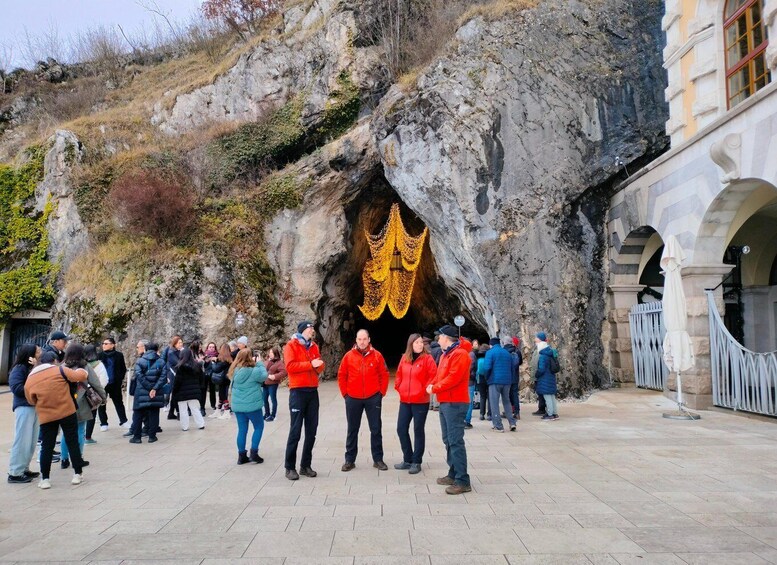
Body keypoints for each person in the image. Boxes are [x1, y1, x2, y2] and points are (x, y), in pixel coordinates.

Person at [24, 348, 89, 489]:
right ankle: (77, 474)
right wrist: (84, 371)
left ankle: (45, 478)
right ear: (54, 360)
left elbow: (30, 399)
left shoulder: (30, 378)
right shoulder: (59, 370)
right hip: (67, 411)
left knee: (47, 446)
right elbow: (80, 377)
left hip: (47, 415)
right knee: (72, 441)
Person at [426, 324, 472, 495]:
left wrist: (435, 388)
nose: (438, 339)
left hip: (455, 403)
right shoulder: (448, 354)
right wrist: (431, 384)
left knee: (455, 441)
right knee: (448, 439)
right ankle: (453, 473)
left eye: (440, 336)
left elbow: (454, 378)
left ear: (446, 338)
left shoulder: (460, 354)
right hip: (446, 402)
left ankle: (463, 480)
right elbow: (440, 375)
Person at [337, 329, 390, 472]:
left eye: (364, 339)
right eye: (359, 339)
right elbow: (342, 375)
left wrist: (381, 393)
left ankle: (378, 459)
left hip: (373, 398)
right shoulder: (348, 356)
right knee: (352, 429)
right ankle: (349, 460)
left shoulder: (377, 355)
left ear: (369, 339)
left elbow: (384, 374)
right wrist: (345, 395)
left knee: (376, 429)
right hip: (353, 398)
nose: (362, 342)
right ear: (356, 340)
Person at [283, 321, 325, 481]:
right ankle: (289, 467)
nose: (312, 330)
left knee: (311, 431)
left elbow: (319, 365)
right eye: (310, 328)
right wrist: (311, 364)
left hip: (312, 391)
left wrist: (319, 365)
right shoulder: (291, 345)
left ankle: (305, 465)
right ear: (302, 330)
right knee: (295, 431)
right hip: (298, 392)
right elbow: (290, 367)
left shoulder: (314, 346)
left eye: (313, 328)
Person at [394, 333, 437, 474]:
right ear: (411, 344)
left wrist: (424, 389)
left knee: (418, 430)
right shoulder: (404, 358)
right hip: (405, 400)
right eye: (416, 342)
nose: (419, 344)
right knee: (401, 429)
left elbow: (433, 376)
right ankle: (408, 459)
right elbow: (399, 374)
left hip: (420, 401)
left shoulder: (428, 359)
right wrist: (399, 387)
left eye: (421, 342)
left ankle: (417, 461)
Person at [60, 344, 107, 469]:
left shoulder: (62, 366)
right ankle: (78, 457)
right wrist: (103, 398)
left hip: (65, 402)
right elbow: (96, 383)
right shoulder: (85, 366)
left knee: (66, 432)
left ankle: (64, 459)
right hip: (80, 402)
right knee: (80, 431)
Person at [7, 344, 42, 484]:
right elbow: (16, 388)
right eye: (38, 351)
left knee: (31, 441)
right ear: (30, 354)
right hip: (24, 406)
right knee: (22, 440)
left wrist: (36, 367)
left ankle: (24, 468)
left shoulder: (34, 367)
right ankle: (15, 472)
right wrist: (34, 391)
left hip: (35, 407)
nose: (40, 352)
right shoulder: (19, 369)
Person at [229, 348, 268, 464]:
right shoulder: (254, 370)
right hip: (252, 406)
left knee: (242, 429)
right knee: (258, 427)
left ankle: (241, 456)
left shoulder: (234, 370)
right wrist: (260, 363)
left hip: (238, 406)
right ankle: (254, 453)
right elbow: (264, 376)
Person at [130, 342, 167, 444]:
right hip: (156, 392)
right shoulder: (161, 361)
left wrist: (148, 387)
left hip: (141, 391)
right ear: (156, 349)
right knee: (154, 414)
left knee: (138, 414)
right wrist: (154, 389)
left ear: (145, 349)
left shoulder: (140, 361)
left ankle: (137, 437)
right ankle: (152, 436)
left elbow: (138, 375)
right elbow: (163, 377)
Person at [482, 337, 517, 433]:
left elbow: (487, 367)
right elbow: (512, 368)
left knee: (494, 403)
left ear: (491, 344)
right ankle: (512, 422)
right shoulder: (507, 353)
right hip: (507, 381)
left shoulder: (490, 353)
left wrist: (487, 378)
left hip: (494, 380)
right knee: (507, 401)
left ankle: (498, 425)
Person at [98, 337, 129, 431]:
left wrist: (119, 379)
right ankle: (103, 423)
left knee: (119, 402)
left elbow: (123, 368)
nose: (104, 345)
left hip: (115, 383)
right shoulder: (99, 355)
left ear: (113, 345)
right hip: (102, 384)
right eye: (103, 343)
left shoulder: (119, 355)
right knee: (101, 403)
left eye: (106, 343)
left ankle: (123, 421)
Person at [173, 348, 206, 431]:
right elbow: (202, 378)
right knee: (195, 408)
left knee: (183, 410)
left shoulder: (180, 367)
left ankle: (185, 426)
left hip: (182, 392)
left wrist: (175, 391)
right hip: (194, 391)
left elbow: (177, 381)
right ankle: (201, 424)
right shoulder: (197, 365)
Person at [535, 332, 559, 420]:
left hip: (545, 378)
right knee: (552, 396)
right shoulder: (550, 352)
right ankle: (555, 413)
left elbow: (541, 369)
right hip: (551, 377)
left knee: (547, 396)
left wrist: (536, 374)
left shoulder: (543, 356)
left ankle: (550, 414)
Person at [209, 344, 232, 417]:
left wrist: (213, 362)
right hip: (226, 379)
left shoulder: (223, 360)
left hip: (222, 379)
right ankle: (218, 411)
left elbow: (216, 369)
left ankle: (227, 411)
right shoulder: (229, 359)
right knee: (221, 395)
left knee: (223, 395)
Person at [264, 346, 286, 421]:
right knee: (264, 399)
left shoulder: (279, 362)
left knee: (273, 399)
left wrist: (275, 376)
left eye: (271, 352)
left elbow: (284, 372)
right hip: (265, 383)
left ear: (275, 353)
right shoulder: (268, 360)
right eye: (269, 352)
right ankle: (267, 413)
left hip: (272, 384)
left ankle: (273, 415)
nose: (269, 354)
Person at [504, 338, 523, 420]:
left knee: (507, 395)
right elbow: (520, 362)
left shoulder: (504, 351)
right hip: (515, 375)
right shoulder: (517, 351)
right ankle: (517, 412)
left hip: (507, 376)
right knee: (515, 394)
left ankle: (509, 411)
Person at [165, 336, 184, 419]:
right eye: (179, 343)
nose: (181, 344)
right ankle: (178, 412)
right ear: (175, 344)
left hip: (176, 374)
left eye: (181, 342)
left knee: (175, 394)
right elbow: (178, 363)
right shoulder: (171, 352)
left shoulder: (176, 351)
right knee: (176, 394)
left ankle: (171, 413)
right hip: (173, 375)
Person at [530, 335, 546, 417]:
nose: (535, 339)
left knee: (542, 392)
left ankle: (543, 408)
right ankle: (541, 408)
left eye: (536, 338)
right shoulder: (537, 349)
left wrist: (537, 373)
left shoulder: (541, 350)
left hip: (540, 375)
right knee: (539, 392)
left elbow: (540, 364)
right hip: (536, 375)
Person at [475, 343, 490, 421]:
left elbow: (476, 370)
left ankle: (481, 414)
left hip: (480, 378)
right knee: (490, 397)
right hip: (489, 378)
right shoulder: (489, 358)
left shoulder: (479, 359)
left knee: (482, 396)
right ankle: (489, 414)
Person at [202, 342, 219, 410]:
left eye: (213, 347)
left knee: (212, 390)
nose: (211, 348)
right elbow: (202, 366)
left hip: (213, 374)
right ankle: (202, 406)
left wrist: (216, 360)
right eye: (210, 347)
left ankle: (213, 405)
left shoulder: (217, 355)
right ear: (207, 348)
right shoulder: (204, 355)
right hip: (205, 375)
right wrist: (206, 361)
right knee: (203, 390)